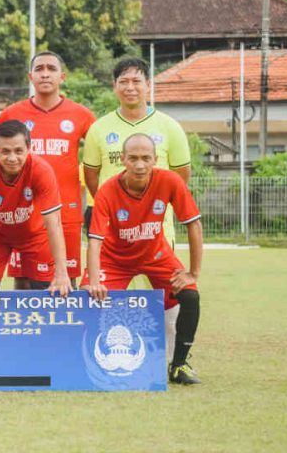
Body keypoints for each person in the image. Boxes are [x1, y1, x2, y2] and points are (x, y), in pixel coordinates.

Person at [83, 56, 191, 357]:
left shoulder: (169, 126)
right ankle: (109, 354)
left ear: (148, 85)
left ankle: (171, 359)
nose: (130, 87)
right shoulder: (99, 128)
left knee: (168, 295)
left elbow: (181, 177)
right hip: (111, 232)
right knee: (103, 293)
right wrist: (114, 206)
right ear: (114, 86)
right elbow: (91, 175)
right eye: (124, 81)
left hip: (156, 229)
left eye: (136, 81)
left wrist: (150, 206)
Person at [84, 133, 203, 385]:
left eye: (146, 158)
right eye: (134, 158)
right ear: (123, 160)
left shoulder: (169, 181)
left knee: (190, 295)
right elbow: (94, 239)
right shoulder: (107, 191)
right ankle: (88, 363)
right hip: (114, 259)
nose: (140, 164)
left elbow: (193, 224)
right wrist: (94, 279)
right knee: (88, 298)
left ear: (155, 159)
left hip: (156, 255)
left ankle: (179, 365)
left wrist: (193, 272)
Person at [0, 51, 95, 288]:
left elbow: (98, 152)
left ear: (62, 76)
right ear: (30, 76)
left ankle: (65, 327)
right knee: (23, 281)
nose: (45, 74)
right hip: (23, 212)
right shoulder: (12, 114)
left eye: (51, 69)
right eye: (39, 69)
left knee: (66, 280)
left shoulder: (80, 114)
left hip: (66, 210)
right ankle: (24, 327)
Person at [0, 120, 71, 298]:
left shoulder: (42, 170)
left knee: (49, 289)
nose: (12, 158)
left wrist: (62, 272)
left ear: (29, 148)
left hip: (34, 234)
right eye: (5, 151)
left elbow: (54, 224)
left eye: (18, 151)